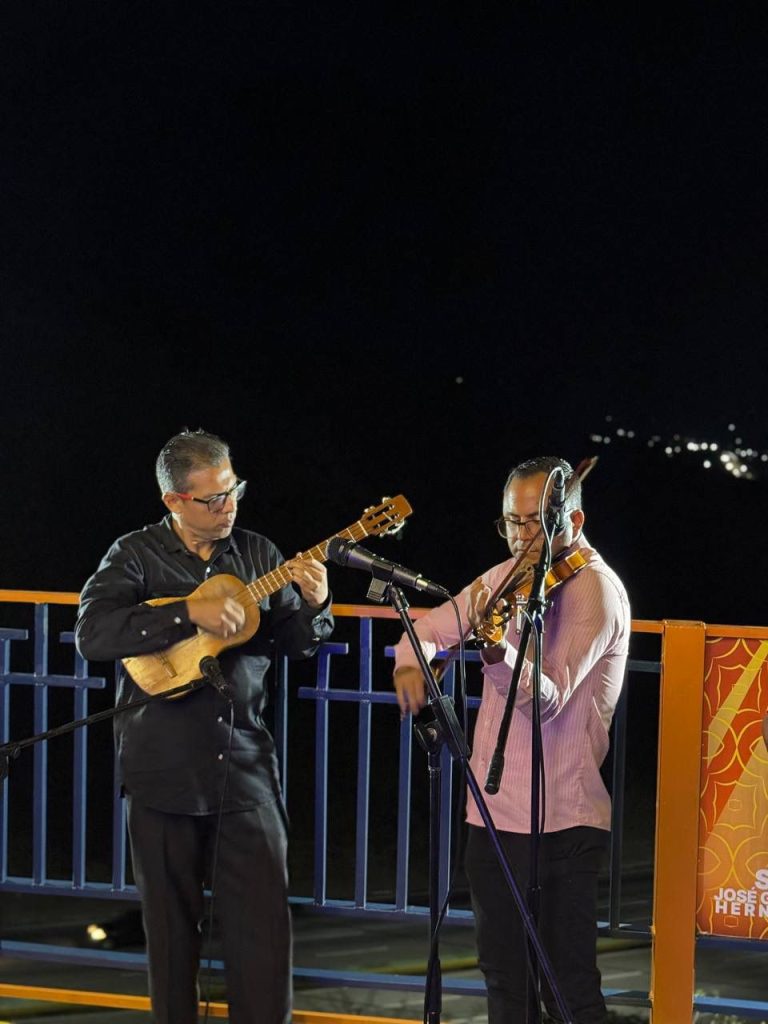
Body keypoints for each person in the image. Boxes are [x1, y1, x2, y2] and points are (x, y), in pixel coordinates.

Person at [75, 429, 333, 1024]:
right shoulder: (134, 554)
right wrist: (189, 611)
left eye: (233, 491)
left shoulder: (260, 553)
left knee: (264, 937)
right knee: (170, 940)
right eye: (213, 499)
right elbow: (94, 634)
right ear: (174, 500)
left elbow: (296, 644)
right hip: (161, 770)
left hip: (245, 769)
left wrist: (314, 606)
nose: (228, 507)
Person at [393, 456, 630, 1024]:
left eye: (534, 524)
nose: (522, 538)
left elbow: (548, 701)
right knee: (504, 982)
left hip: (563, 822)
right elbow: (428, 628)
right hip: (493, 815)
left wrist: (497, 653)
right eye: (511, 523)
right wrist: (412, 661)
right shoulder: (504, 578)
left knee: (567, 989)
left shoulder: (596, 592)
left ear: (574, 521)